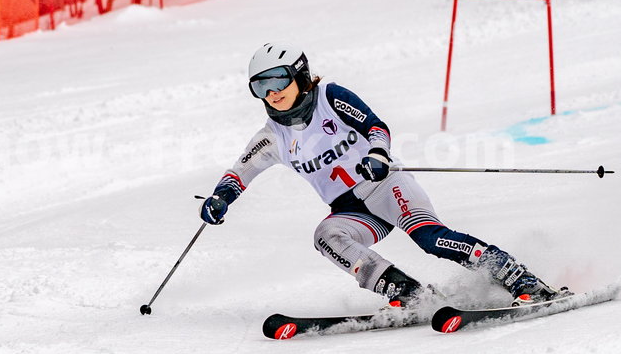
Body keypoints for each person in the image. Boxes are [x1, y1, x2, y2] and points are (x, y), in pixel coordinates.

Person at [199, 42, 564, 309]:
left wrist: (377, 154)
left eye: (278, 80)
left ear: (300, 75)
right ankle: (408, 292)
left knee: (431, 239)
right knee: (327, 235)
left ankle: (517, 276)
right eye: (260, 86)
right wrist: (221, 198)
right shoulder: (272, 136)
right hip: (352, 209)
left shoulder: (329, 96)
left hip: (385, 184)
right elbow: (240, 172)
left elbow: (375, 126)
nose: (272, 92)